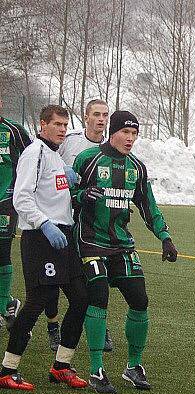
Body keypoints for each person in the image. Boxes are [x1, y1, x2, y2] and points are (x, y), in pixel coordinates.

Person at [72, 110, 178, 394]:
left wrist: (165, 237)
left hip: (121, 244)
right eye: (125, 133)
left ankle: (133, 367)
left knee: (140, 300)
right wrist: (80, 195)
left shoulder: (137, 168)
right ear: (112, 132)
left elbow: (149, 207)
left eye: (135, 134)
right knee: (99, 296)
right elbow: (64, 194)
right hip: (91, 242)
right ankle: (96, 369)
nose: (130, 139)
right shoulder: (88, 159)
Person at [0, 105, 88, 390]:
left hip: (62, 236)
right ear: (42, 125)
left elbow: (52, 190)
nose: (63, 129)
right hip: (41, 238)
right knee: (38, 302)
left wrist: (69, 182)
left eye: (65, 125)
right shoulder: (33, 153)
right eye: (57, 124)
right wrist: (45, 224)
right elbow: (22, 199)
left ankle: (61, 366)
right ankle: (7, 369)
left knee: (80, 298)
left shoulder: (53, 155)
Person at [47, 99, 114, 352]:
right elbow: (48, 163)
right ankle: (53, 327)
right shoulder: (71, 140)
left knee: (95, 276)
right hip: (62, 216)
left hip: (93, 224)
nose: (101, 119)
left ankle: (99, 325)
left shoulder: (111, 148)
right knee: (53, 276)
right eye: (96, 114)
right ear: (86, 117)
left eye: (105, 115)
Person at [0, 92, 32, 328]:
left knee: (2, 251)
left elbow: (33, 159)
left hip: (6, 202)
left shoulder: (14, 131)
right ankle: (10, 301)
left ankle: (3, 307)